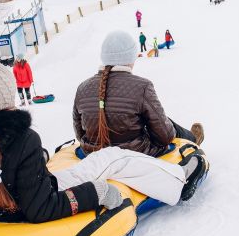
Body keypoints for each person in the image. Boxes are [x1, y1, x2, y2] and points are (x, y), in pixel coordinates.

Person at [0, 46, 207, 224]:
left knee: (103, 157)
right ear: (5, 97)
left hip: (7, 205)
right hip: (35, 202)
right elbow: (40, 208)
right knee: (112, 157)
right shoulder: (23, 140)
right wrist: (95, 193)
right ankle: (179, 181)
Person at [73, 31, 205, 160]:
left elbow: (80, 134)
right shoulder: (143, 86)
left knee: (157, 119)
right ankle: (192, 139)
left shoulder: (82, 88)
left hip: (92, 155)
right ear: (131, 57)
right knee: (165, 122)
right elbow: (165, 136)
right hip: (135, 155)